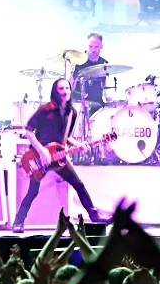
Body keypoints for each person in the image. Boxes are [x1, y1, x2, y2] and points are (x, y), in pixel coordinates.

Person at [12, 78, 106, 232]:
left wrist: (78, 145)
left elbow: (66, 137)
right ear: (55, 91)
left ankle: (94, 216)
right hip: (38, 157)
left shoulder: (72, 113)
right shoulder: (45, 109)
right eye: (61, 89)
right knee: (33, 191)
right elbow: (28, 130)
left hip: (58, 156)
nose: (65, 92)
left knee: (79, 184)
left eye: (67, 88)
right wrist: (42, 151)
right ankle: (18, 222)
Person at [71, 32, 108, 117]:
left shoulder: (104, 64)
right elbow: (70, 86)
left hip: (97, 104)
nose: (93, 50)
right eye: (90, 46)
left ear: (101, 47)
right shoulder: (78, 62)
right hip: (78, 103)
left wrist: (108, 96)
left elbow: (105, 87)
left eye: (96, 47)